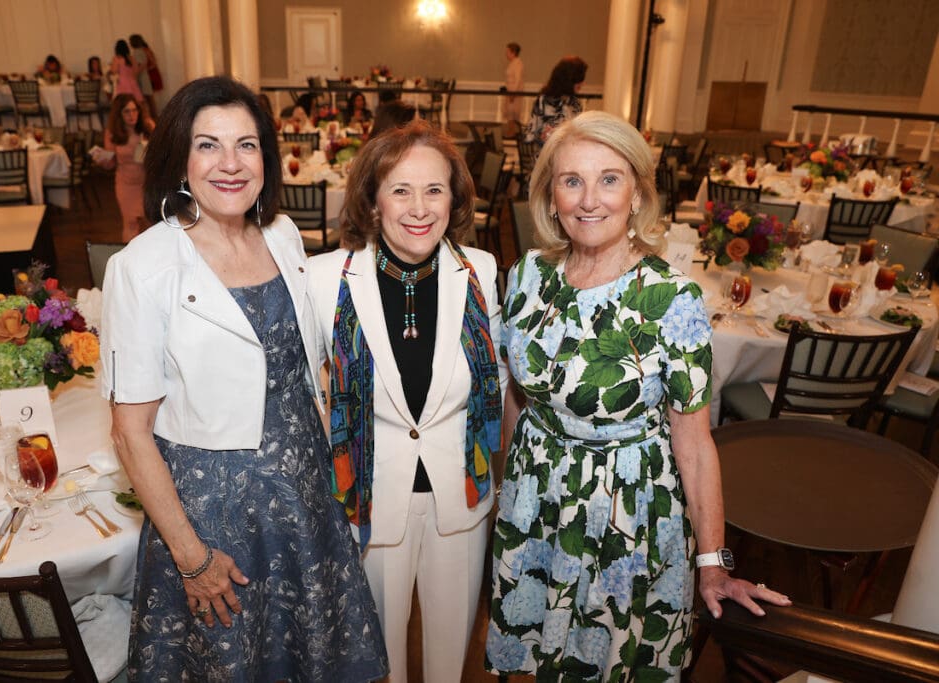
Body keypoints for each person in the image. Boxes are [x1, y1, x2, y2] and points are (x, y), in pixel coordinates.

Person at [100, 76, 388, 681]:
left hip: (305, 495)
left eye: (247, 145)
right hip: (215, 515)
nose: (230, 165)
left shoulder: (282, 235)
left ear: (267, 157)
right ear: (180, 158)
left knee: (312, 657)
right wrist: (191, 556)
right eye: (209, 146)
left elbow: (307, 365)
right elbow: (131, 433)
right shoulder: (142, 267)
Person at [485, 111, 791, 680]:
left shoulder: (670, 299)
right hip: (535, 505)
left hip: (623, 516)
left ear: (637, 193)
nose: (588, 199)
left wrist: (713, 564)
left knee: (610, 660)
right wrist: (503, 490)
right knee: (536, 659)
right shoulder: (527, 275)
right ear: (550, 196)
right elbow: (519, 396)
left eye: (609, 178)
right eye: (571, 180)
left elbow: (696, 448)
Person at [307, 119, 507, 683]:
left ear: (455, 199)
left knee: (450, 663)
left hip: (461, 499)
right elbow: (303, 393)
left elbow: (499, 373)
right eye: (400, 190)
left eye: (434, 189)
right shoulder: (325, 280)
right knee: (379, 665)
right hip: (369, 501)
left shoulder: (481, 272)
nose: (419, 207)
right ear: (372, 202)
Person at [102, 94, 155, 242]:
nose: (132, 115)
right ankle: (130, 260)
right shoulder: (112, 133)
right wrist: (102, 160)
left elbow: (162, 152)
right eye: (126, 111)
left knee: (153, 223)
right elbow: (110, 163)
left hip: (148, 183)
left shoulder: (148, 126)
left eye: (134, 110)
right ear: (119, 114)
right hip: (126, 184)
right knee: (130, 223)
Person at [524, 55, 587, 145]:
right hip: (547, 153)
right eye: (580, 79)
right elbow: (532, 135)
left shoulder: (574, 103)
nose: (583, 83)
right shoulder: (545, 101)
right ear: (569, 80)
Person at [129, 34, 159, 117]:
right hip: (145, 76)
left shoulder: (137, 52)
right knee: (149, 98)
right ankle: (154, 116)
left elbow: (141, 65)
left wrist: (134, 75)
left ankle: (148, 117)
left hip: (141, 77)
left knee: (145, 99)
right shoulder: (142, 50)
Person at [111, 39, 144, 107]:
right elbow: (136, 71)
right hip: (133, 82)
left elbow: (114, 71)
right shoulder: (131, 58)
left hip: (122, 83)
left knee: (123, 104)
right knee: (137, 104)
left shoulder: (117, 58)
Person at [503, 42, 524, 126]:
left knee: (513, 115)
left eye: (507, 52)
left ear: (513, 53)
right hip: (510, 92)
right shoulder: (512, 63)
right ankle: (511, 133)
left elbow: (518, 80)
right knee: (509, 116)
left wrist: (513, 93)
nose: (506, 54)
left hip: (514, 95)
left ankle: (513, 134)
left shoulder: (518, 64)